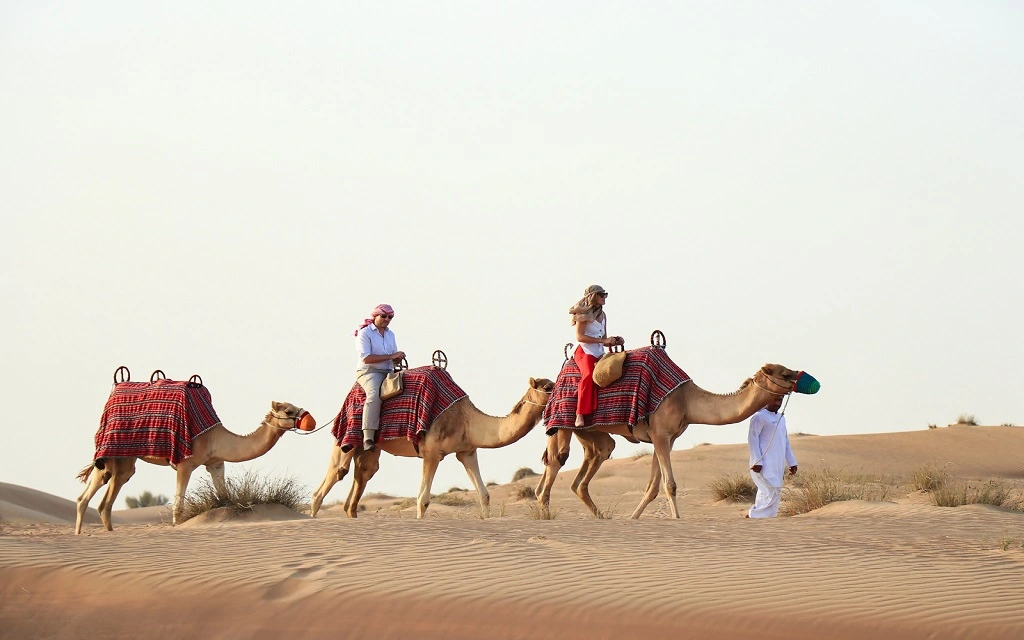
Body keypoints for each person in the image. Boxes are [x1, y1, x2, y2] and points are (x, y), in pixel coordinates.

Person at [568, 285, 623, 427]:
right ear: (594, 296)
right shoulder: (583, 314)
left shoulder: (603, 315)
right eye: (602, 295)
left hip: (598, 351)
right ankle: (580, 413)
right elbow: (580, 336)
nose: (604, 298)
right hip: (585, 350)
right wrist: (602, 341)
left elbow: (603, 338)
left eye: (605, 295)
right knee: (588, 375)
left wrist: (614, 340)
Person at [353, 304, 405, 451]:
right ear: (375, 316)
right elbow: (366, 358)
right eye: (384, 316)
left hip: (389, 371)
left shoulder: (390, 334)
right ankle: (368, 437)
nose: (387, 319)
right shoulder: (365, 334)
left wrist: (397, 358)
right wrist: (391, 356)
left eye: (390, 317)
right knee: (375, 394)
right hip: (370, 372)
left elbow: (392, 357)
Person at [747, 394, 798, 518]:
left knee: (772, 490)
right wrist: (757, 461)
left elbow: (785, 441)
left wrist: (792, 462)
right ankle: (757, 516)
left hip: (778, 462)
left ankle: (760, 515)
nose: (777, 403)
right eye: (775, 400)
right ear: (766, 399)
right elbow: (752, 439)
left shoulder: (781, 417)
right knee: (770, 489)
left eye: (780, 400)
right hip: (764, 462)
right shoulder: (758, 417)